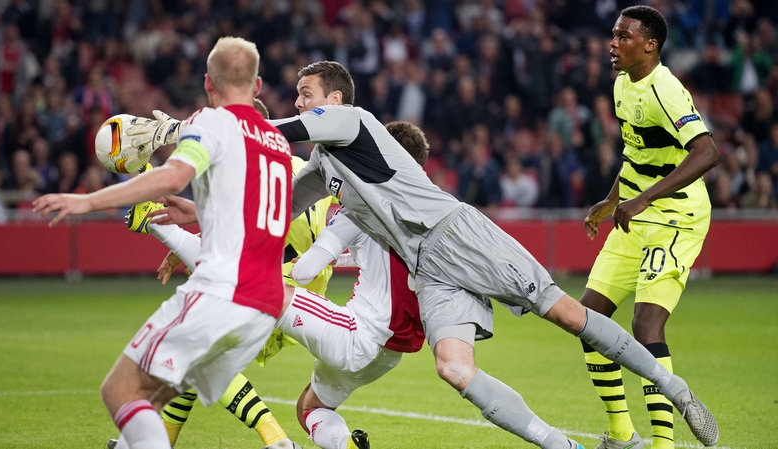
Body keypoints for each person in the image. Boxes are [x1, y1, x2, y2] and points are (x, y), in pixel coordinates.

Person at [135, 61, 718, 449]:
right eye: (297, 95)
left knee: (568, 315)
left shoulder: (350, 121)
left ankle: (677, 391)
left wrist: (189, 129)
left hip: (459, 235)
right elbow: (276, 207)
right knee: (453, 369)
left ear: (332, 98)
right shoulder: (328, 166)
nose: (297, 100)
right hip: (427, 267)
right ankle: (560, 444)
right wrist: (200, 213)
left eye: (304, 93)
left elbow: (272, 132)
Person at [32, 37, 298, 449]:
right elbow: (258, 209)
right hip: (264, 306)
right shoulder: (278, 145)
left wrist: (87, 200)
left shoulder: (211, 121)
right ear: (258, 85)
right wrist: (198, 212)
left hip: (222, 291)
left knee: (119, 390)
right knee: (154, 397)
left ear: (209, 84)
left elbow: (174, 176)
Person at [138, 120, 430, 449]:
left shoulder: (343, 195)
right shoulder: (431, 212)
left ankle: (276, 441)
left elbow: (293, 258)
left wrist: (182, 230)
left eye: (305, 96)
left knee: (207, 336)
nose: (299, 106)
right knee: (308, 406)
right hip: (388, 350)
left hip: (324, 312)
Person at [108, 98, 329, 449]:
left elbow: (239, 223)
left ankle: (278, 441)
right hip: (302, 292)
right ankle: (159, 439)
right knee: (198, 356)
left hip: (263, 285)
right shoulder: (304, 165)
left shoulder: (247, 172)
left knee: (198, 352)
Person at [580, 7, 721, 449]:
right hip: (635, 215)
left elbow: (706, 152)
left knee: (646, 326)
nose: (613, 43)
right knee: (589, 318)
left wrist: (645, 199)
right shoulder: (623, 84)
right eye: (613, 35)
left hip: (676, 218)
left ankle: (664, 444)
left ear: (649, 44)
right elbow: (637, 155)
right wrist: (612, 199)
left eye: (623, 36)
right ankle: (623, 435)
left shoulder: (666, 90)